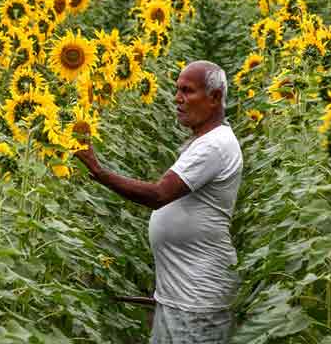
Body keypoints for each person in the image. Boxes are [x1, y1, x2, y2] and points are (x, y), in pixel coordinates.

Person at [75, 60, 243, 343]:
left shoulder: (215, 145)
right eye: (177, 90)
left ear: (215, 98)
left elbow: (159, 195)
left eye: (187, 91)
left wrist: (98, 172)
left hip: (197, 299)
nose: (177, 99)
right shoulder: (206, 141)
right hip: (178, 294)